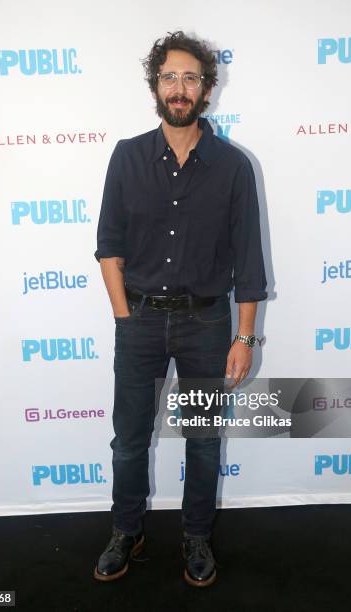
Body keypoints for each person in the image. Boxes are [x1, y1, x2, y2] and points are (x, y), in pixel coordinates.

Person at [93, 30, 267, 587]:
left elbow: (248, 261)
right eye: (169, 76)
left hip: (206, 323)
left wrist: (244, 339)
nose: (180, 86)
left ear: (207, 90)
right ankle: (126, 529)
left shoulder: (234, 167)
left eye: (191, 77)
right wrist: (125, 318)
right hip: (138, 321)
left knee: (203, 437)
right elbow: (108, 246)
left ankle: (195, 537)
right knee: (130, 437)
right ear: (156, 86)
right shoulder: (127, 157)